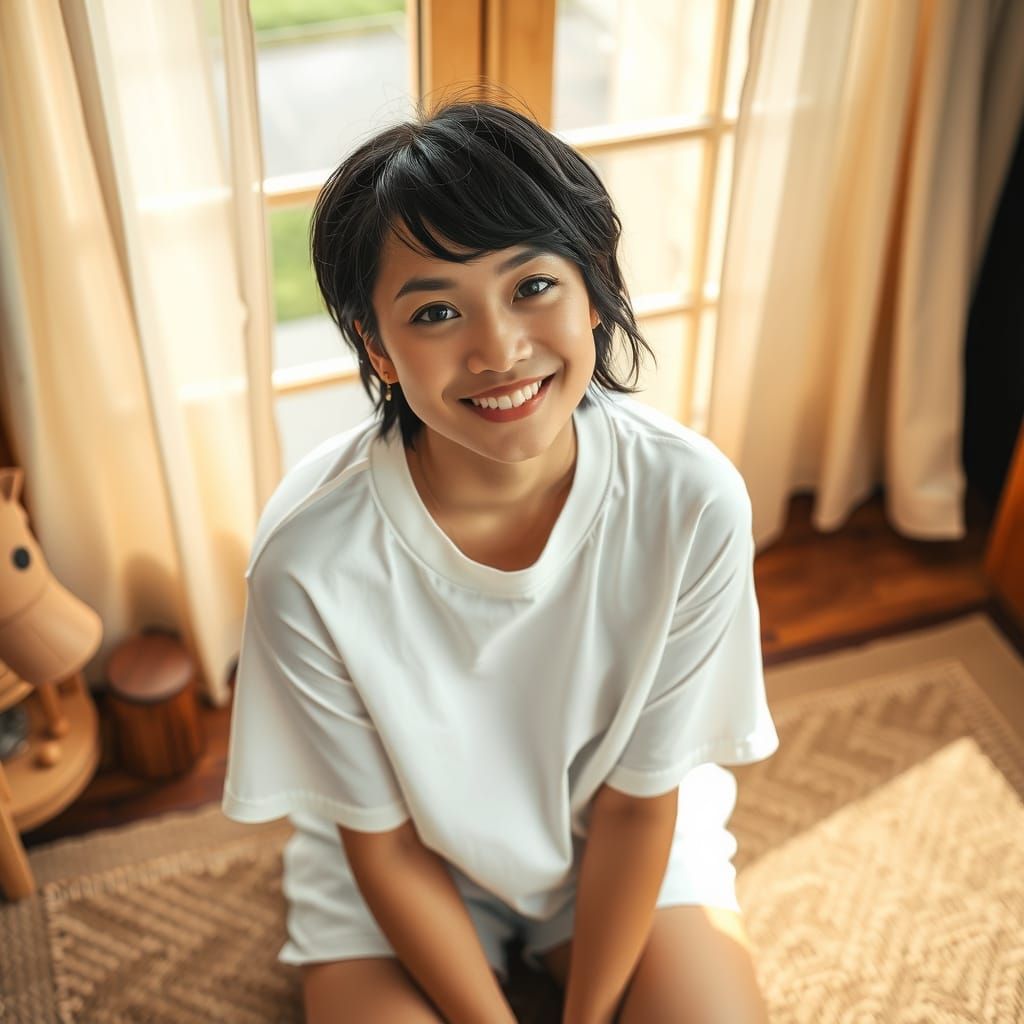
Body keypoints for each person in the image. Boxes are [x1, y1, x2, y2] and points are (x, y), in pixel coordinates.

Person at [221, 98, 780, 1023]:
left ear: (594, 290)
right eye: (436, 310)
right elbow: (388, 847)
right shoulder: (306, 561)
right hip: (402, 869)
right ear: (378, 348)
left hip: (618, 836)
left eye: (532, 287)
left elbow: (641, 808)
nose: (499, 349)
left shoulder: (692, 502)